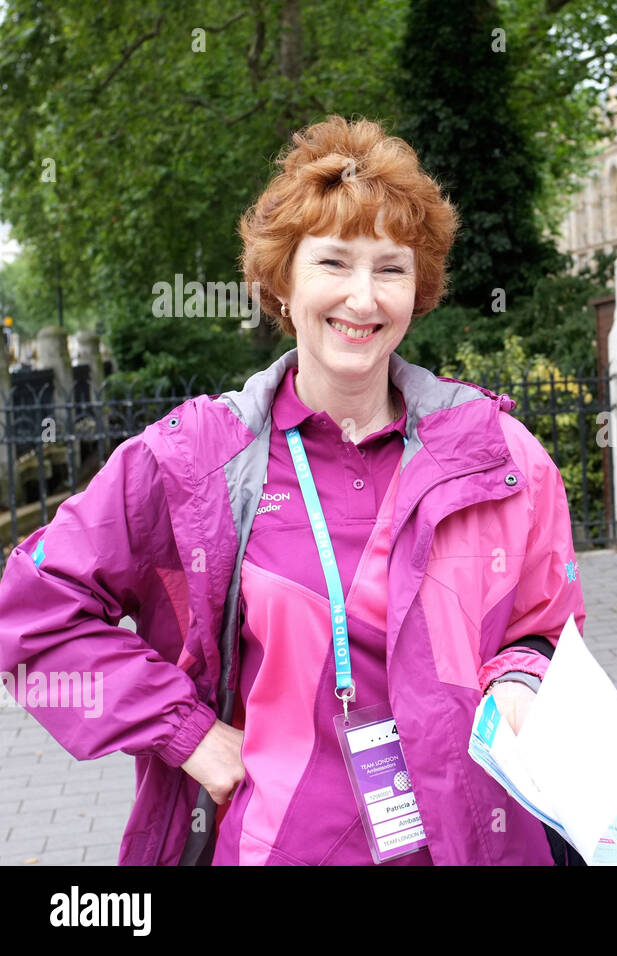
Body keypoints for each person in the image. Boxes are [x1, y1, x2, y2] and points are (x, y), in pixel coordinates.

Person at [0, 115, 584, 865]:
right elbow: (31, 618)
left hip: (479, 844)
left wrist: (521, 678)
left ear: (420, 286)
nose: (364, 299)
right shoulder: (197, 462)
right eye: (334, 264)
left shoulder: (498, 454)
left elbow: (545, 628)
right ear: (283, 280)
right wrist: (187, 733)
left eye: (391, 268)